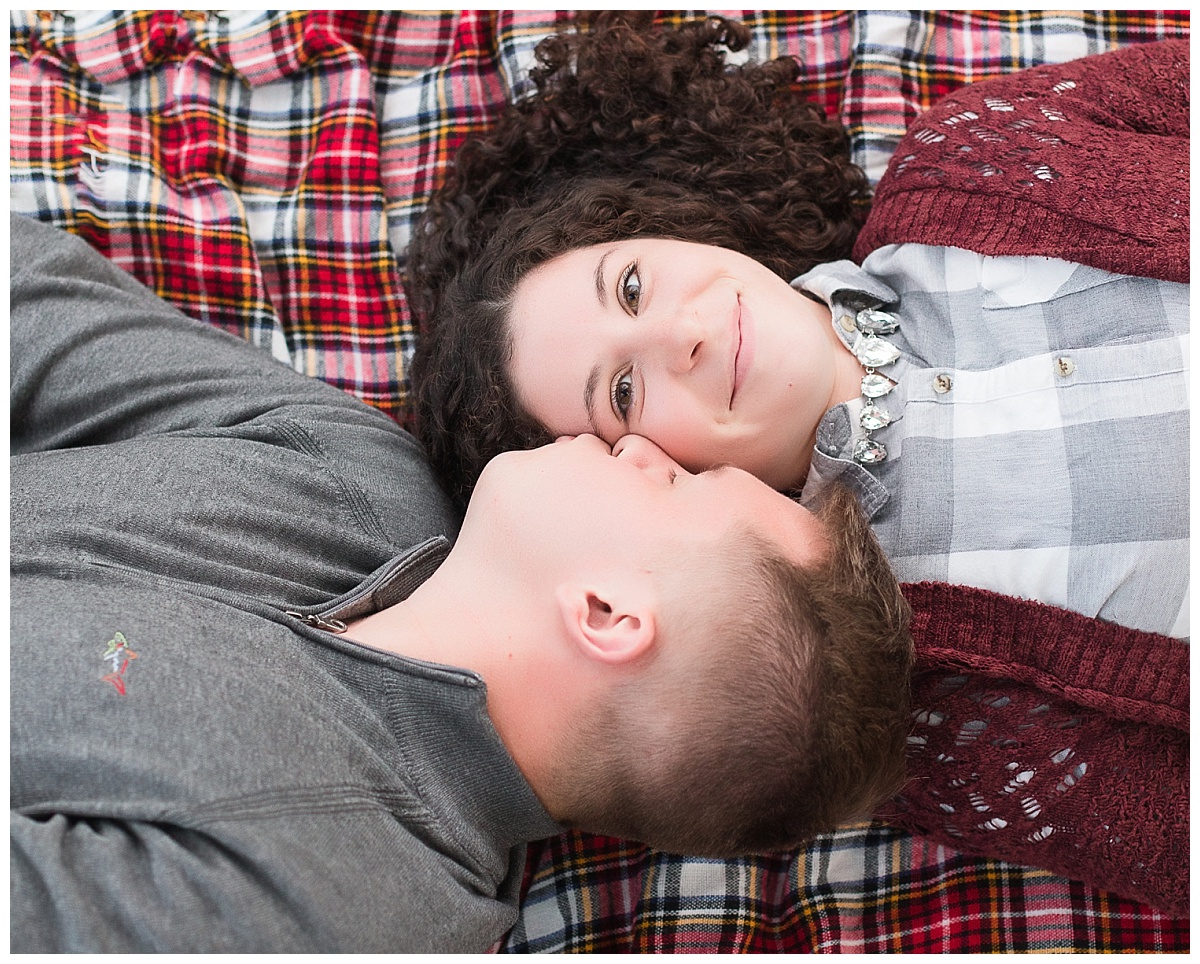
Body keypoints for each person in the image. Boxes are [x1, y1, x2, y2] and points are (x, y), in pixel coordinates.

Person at [9, 213, 913, 952]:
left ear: (608, 614)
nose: (641, 449)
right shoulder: (356, 475)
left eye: (678, 483)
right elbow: (32, 303)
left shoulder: (323, 908)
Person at [409, 17, 1189, 640]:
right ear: (636, 473)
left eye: (633, 285)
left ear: (670, 227)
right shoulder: (894, 644)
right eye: (621, 391)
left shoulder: (967, 158)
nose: (681, 336)